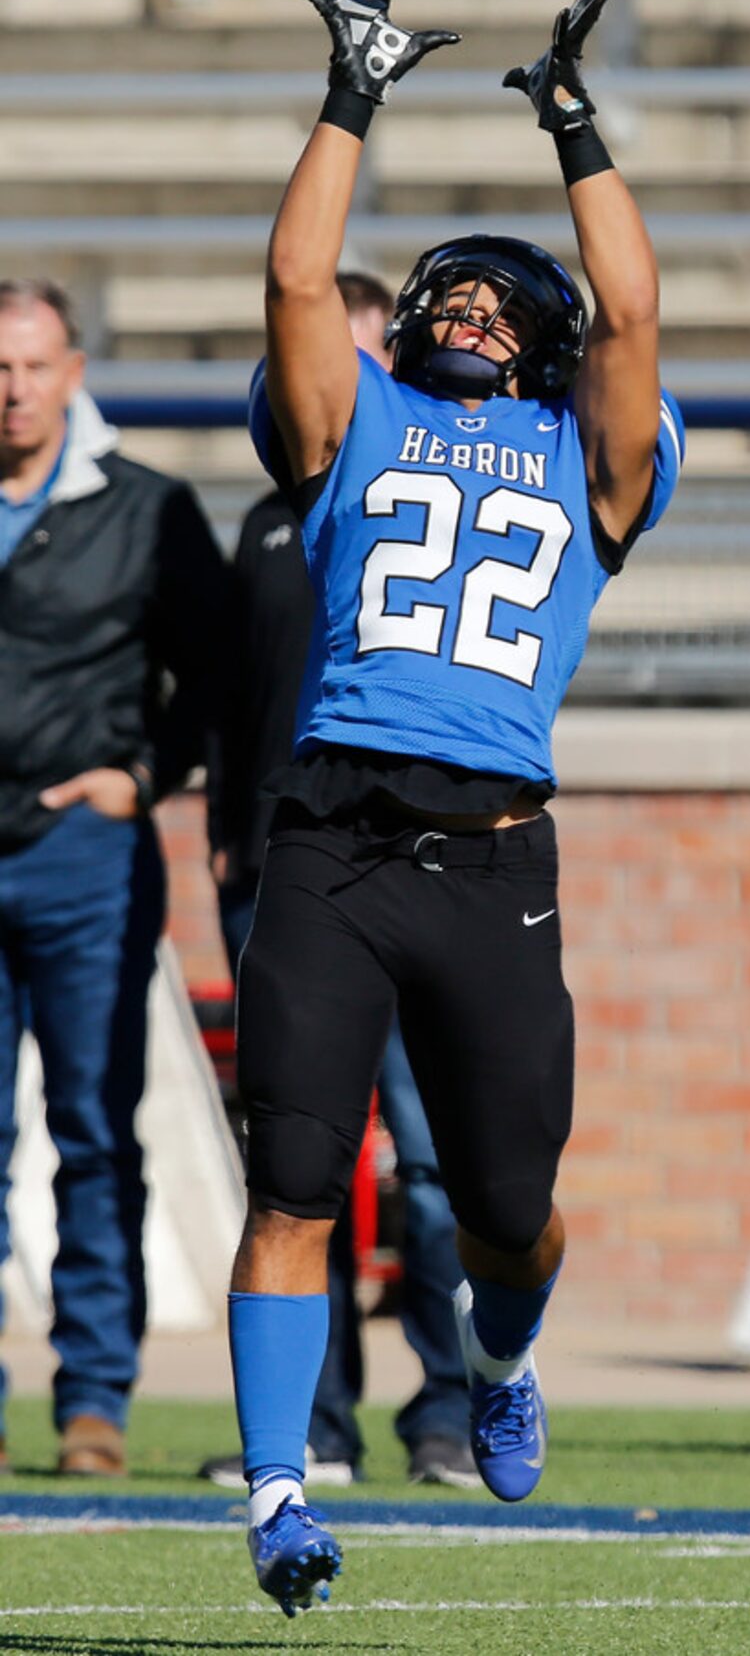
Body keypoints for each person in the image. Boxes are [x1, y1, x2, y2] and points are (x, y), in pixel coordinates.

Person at [230, 0, 685, 1617]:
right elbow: (293, 282)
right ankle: (279, 1488)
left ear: (543, 338)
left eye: (504, 300)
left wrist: (574, 124)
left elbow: (632, 311)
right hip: (331, 841)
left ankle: (502, 1356)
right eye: (451, 295)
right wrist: (354, 88)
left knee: (506, 1211)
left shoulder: (592, 447)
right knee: (295, 1176)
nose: (471, 312)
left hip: (493, 865)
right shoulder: (359, 421)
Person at [203, 270, 477, 1490]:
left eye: (370, 356)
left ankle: (453, 1405)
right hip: (290, 856)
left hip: (422, 855)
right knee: (297, 1165)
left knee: (436, 1163)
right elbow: (229, 689)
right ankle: (313, 1429)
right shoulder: (276, 514)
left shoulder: (442, 490)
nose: (352, 382)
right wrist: (221, 815)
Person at [0, 278, 228, 1476]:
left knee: (94, 1131)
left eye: (33, 366)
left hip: (84, 855)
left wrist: (138, 777)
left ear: (74, 372)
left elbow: (217, 672)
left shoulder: (144, 508)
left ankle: (96, 1397)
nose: (13, 389)